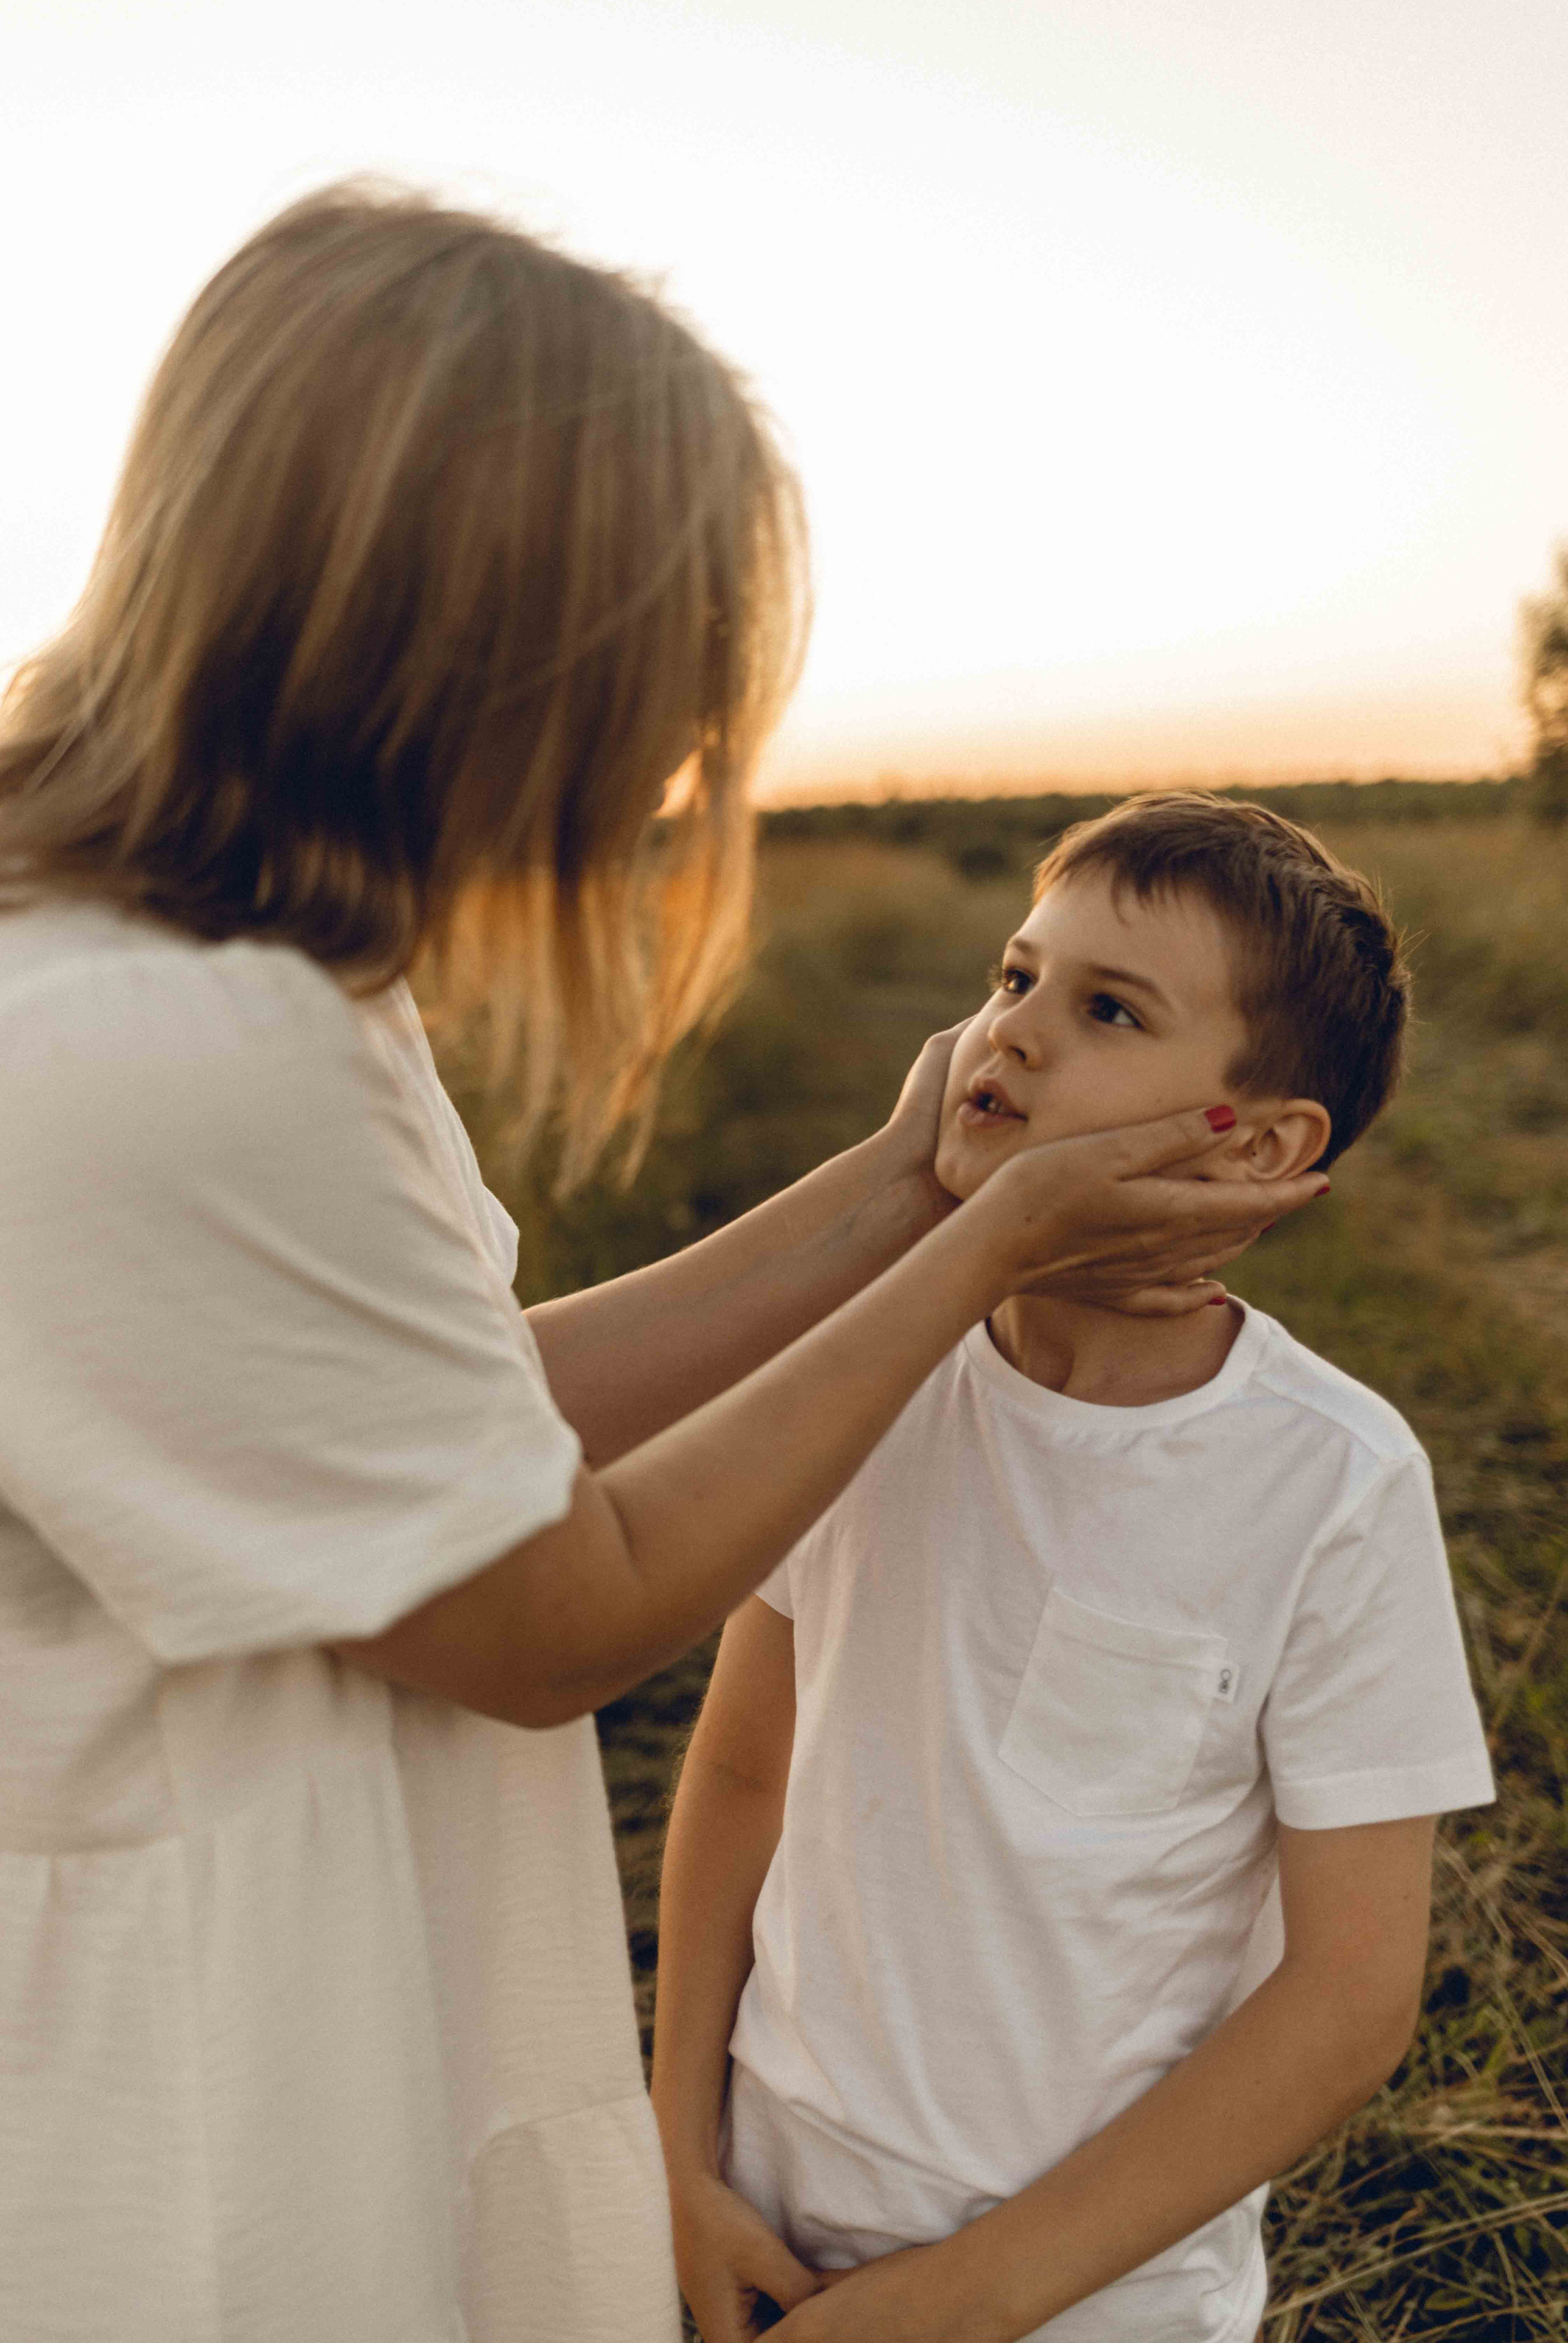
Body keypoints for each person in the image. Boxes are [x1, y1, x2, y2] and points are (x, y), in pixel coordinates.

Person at [0, 192, 1325, 2343]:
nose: (679, 755)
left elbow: (442, 1420)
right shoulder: (157, 1046)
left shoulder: (247, 969)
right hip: (167, 2063)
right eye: (652, 664)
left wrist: (904, 1188)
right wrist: (982, 1241)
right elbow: (557, 1614)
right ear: (464, 644)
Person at [653, 792, 1497, 2343]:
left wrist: (965, 2300)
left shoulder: (1332, 1479)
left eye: (1107, 1009)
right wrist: (676, 2149)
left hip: (1083, 2299)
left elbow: (1347, 1998)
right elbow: (743, 1767)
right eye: (1013, 976)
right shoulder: (862, 1376)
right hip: (757, 2227)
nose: (1016, 1032)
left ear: (1258, 1144)